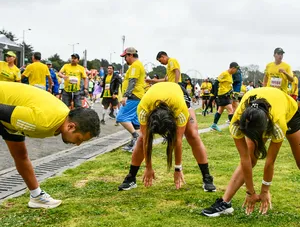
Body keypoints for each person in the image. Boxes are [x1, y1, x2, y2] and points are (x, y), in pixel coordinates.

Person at [0, 81, 100, 209]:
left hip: (12, 117)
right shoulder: (43, 122)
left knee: (21, 154)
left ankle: (37, 197)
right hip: (6, 110)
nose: (78, 144)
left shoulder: (62, 115)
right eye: (79, 139)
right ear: (71, 126)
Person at [202, 87, 300, 217]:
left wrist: (265, 190)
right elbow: (245, 159)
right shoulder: (236, 122)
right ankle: (225, 203)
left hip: (288, 111)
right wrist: (250, 192)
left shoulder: (278, 124)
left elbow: (270, 162)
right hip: (261, 113)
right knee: (251, 155)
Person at [118, 82, 216, 192]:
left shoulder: (180, 109)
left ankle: (207, 177)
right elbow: (146, 140)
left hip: (178, 94)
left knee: (192, 134)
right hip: (153, 96)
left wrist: (178, 168)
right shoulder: (143, 108)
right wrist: (148, 167)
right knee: (141, 139)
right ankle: (131, 177)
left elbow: (177, 140)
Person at [117, 47, 146, 152]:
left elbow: (132, 81)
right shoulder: (137, 65)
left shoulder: (135, 66)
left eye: (125, 57)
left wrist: (126, 95)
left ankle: (136, 137)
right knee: (135, 123)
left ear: (130, 55)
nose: (125, 59)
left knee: (121, 117)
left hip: (133, 96)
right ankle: (134, 145)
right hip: (137, 96)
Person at [210, 62, 239, 132]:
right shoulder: (224, 73)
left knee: (220, 110)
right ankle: (234, 127)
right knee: (231, 110)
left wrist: (232, 93)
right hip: (222, 95)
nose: (236, 71)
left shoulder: (230, 75)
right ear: (233, 68)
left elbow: (228, 86)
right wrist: (215, 93)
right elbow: (216, 82)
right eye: (236, 69)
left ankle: (214, 125)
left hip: (227, 95)